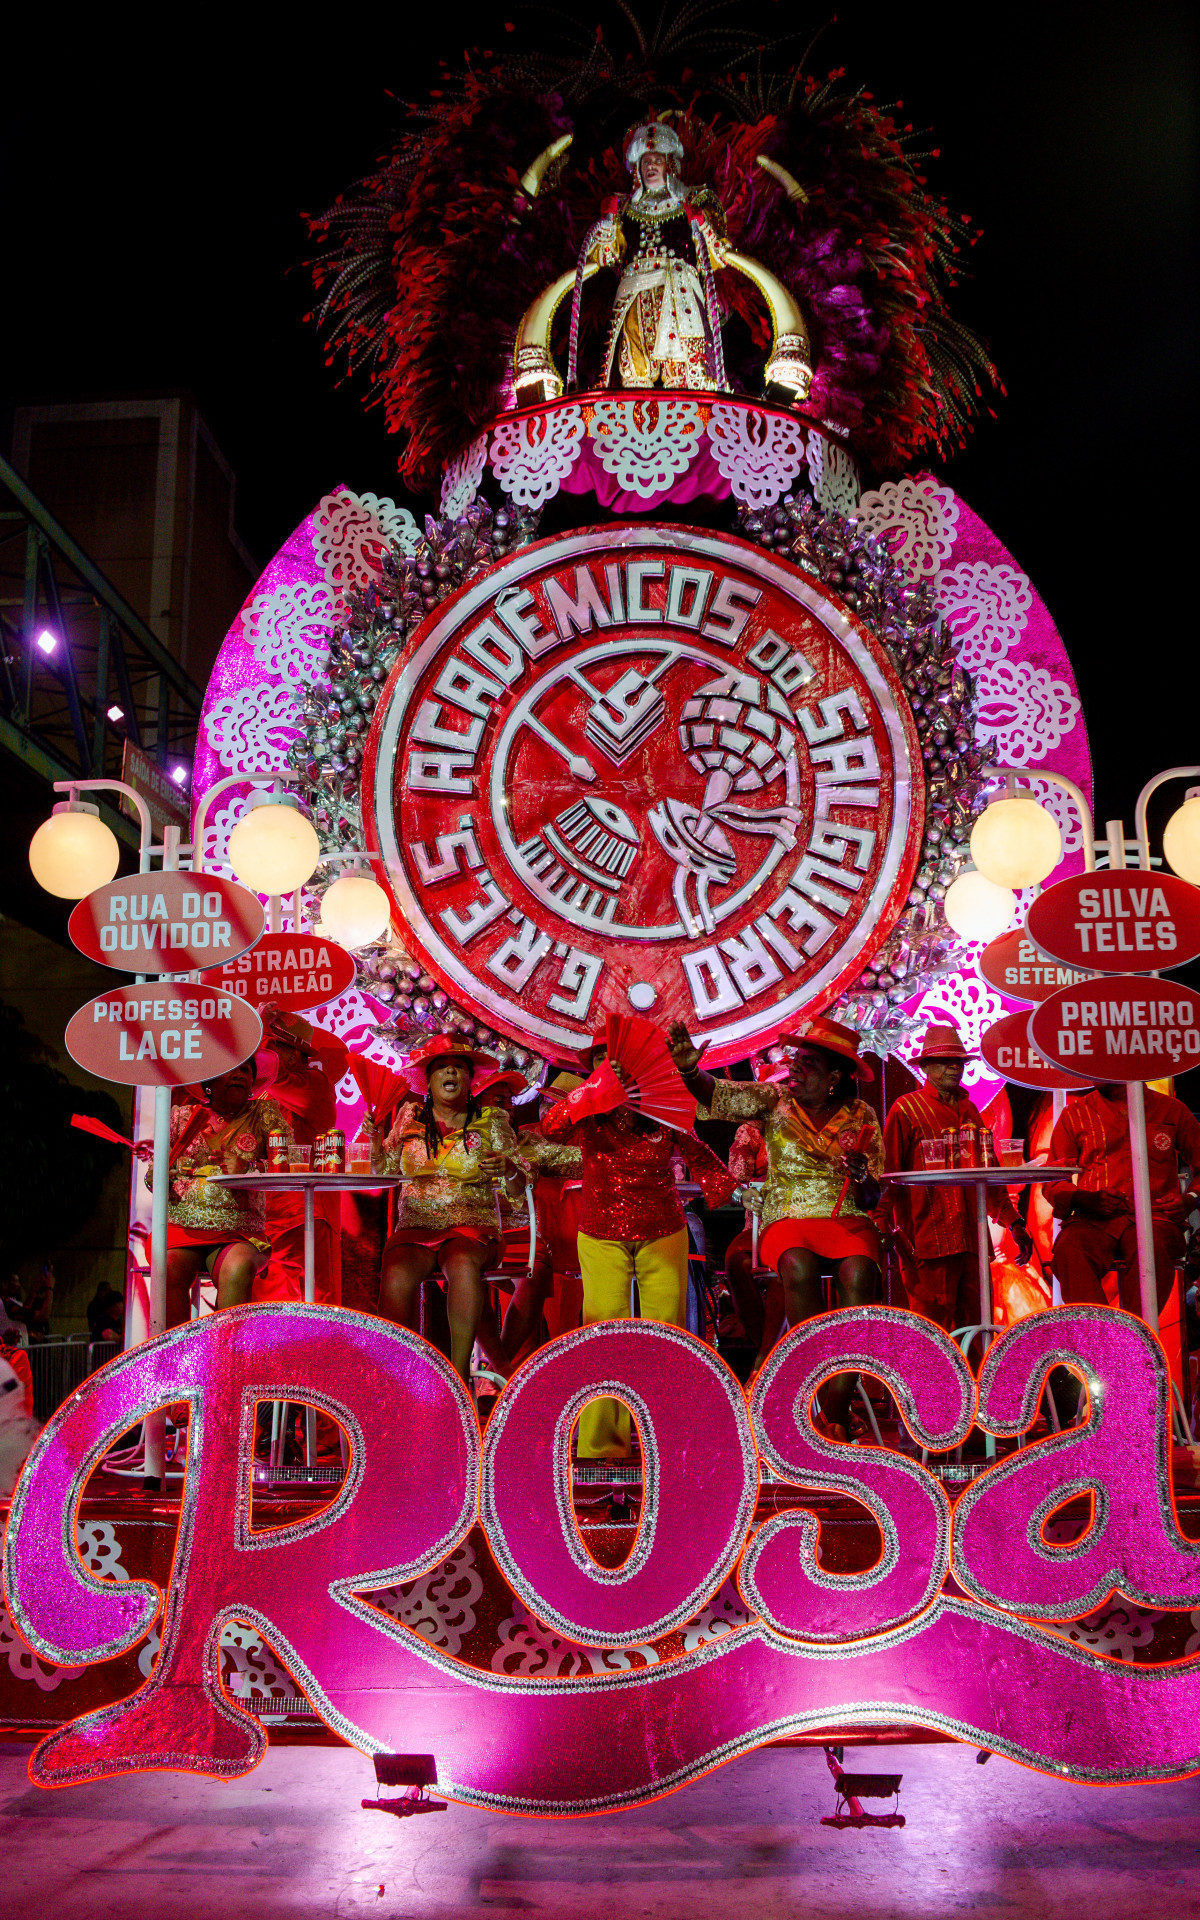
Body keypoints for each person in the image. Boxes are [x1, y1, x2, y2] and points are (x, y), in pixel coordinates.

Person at [668, 1015, 883, 1437]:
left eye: (808, 1064)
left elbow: (874, 1195)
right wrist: (691, 1070)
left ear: (835, 1077)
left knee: (860, 1273)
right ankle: (812, 1391)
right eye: (795, 1059)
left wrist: (862, 1177)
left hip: (845, 1216)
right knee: (798, 1267)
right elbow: (719, 1095)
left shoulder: (863, 1114)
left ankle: (834, 1414)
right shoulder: (774, 1100)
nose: (795, 1068)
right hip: (787, 1216)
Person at [540, 1027, 736, 1458]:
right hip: (600, 1233)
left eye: (617, 1061)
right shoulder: (588, 1108)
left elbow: (698, 1150)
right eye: (600, 1061)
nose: (611, 1068)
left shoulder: (663, 1106)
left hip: (662, 1229)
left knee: (665, 1335)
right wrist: (593, 1092)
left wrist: (724, 1187)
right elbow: (551, 1129)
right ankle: (600, 1445)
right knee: (603, 1334)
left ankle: (666, 1438)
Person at [364, 1035, 524, 1386]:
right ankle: (398, 1377)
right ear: (429, 1081)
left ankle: (457, 1377)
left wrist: (509, 1170)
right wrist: (375, 1145)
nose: (450, 1071)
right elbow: (385, 1172)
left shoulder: (492, 1119)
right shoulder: (409, 1117)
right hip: (417, 1228)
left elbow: (519, 1190)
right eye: (440, 1067)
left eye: (458, 1067)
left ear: (469, 1080)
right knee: (396, 1270)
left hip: (473, 1228)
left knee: (462, 1262)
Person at [884, 1023, 1032, 1333]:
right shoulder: (906, 1109)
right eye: (944, 1061)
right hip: (927, 1243)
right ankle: (931, 1384)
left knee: (979, 1328)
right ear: (925, 1066)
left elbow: (988, 1176)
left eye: (959, 1061)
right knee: (931, 1333)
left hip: (971, 1239)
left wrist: (1015, 1224)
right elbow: (889, 1179)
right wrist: (886, 1232)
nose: (954, 1067)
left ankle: (978, 1382)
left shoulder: (970, 1111)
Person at [146, 1061, 294, 1329]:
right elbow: (152, 1175)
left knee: (236, 1268)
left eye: (246, 1070)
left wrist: (249, 1168)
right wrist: (160, 1176)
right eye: (230, 1068)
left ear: (252, 1082)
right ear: (208, 1080)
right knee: (166, 1267)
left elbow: (293, 1161)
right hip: (182, 1227)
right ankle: (173, 1361)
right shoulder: (181, 1117)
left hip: (239, 1230)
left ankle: (226, 1361)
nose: (238, 1074)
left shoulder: (264, 1114)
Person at [1046, 1081, 1200, 1316]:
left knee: (1151, 1248)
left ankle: (1135, 1338)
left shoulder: (1171, 1109)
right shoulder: (1075, 1113)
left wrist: (1191, 1198)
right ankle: (1100, 1337)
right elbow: (1054, 1181)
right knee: (1069, 1249)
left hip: (1156, 1217)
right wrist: (1084, 1199)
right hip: (1095, 1219)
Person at [253, 1007, 350, 1306]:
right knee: (265, 1315)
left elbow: (272, 1077)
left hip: (305, 1214)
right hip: (264, 1219)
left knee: (314, 1307)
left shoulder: (313, 1084)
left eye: (270, 1047)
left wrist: (255, 1029)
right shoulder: (262, 1094)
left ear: (294, 1055)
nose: (260, 1056)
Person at [86, 1279, 124, 1344]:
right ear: (115, 1305)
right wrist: (122, 1339)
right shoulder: (104, 1320)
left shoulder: (117, 1321)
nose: (123, 1306)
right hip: (103, 1353)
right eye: (121, 1303)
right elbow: (107, 1335)